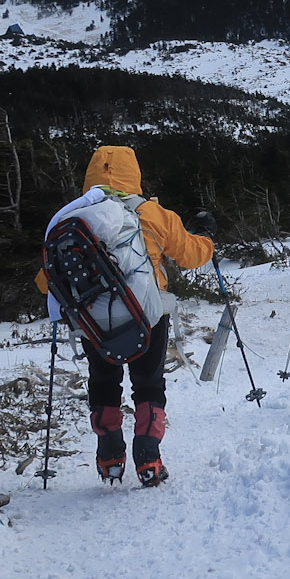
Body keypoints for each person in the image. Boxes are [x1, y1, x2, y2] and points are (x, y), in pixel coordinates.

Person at [38, 145, 216, 486]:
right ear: (134, 174)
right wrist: (206, 236)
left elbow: (46, 279)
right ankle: (148, 459)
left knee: (103, 383)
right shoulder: (153, 213)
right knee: (148, 384)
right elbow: (192, 255)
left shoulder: (71, 218)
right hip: (148, 315)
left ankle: (109, 458)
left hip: (92, 322)